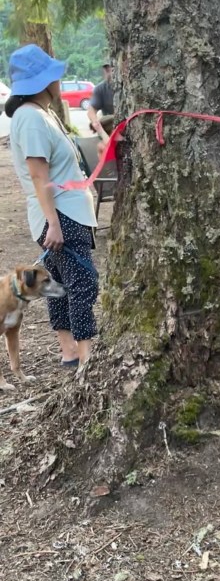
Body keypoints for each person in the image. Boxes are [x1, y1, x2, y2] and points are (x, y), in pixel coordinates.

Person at [6, 44, 99, 369]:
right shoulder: (31, 118)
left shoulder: (38, 113)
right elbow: (37, 173)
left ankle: (69, 350)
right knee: (81, 282)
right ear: (44, 82)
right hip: (61, 215)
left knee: (59, 284)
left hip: (61, 213)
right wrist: (54, 223)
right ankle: (84, 355)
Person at [86, 61, 114, 137]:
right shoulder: (100, 88)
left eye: (111, 69)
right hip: (111, 129)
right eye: (107, 70)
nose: (109, 72)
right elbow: (91, 110)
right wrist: (96, 123)